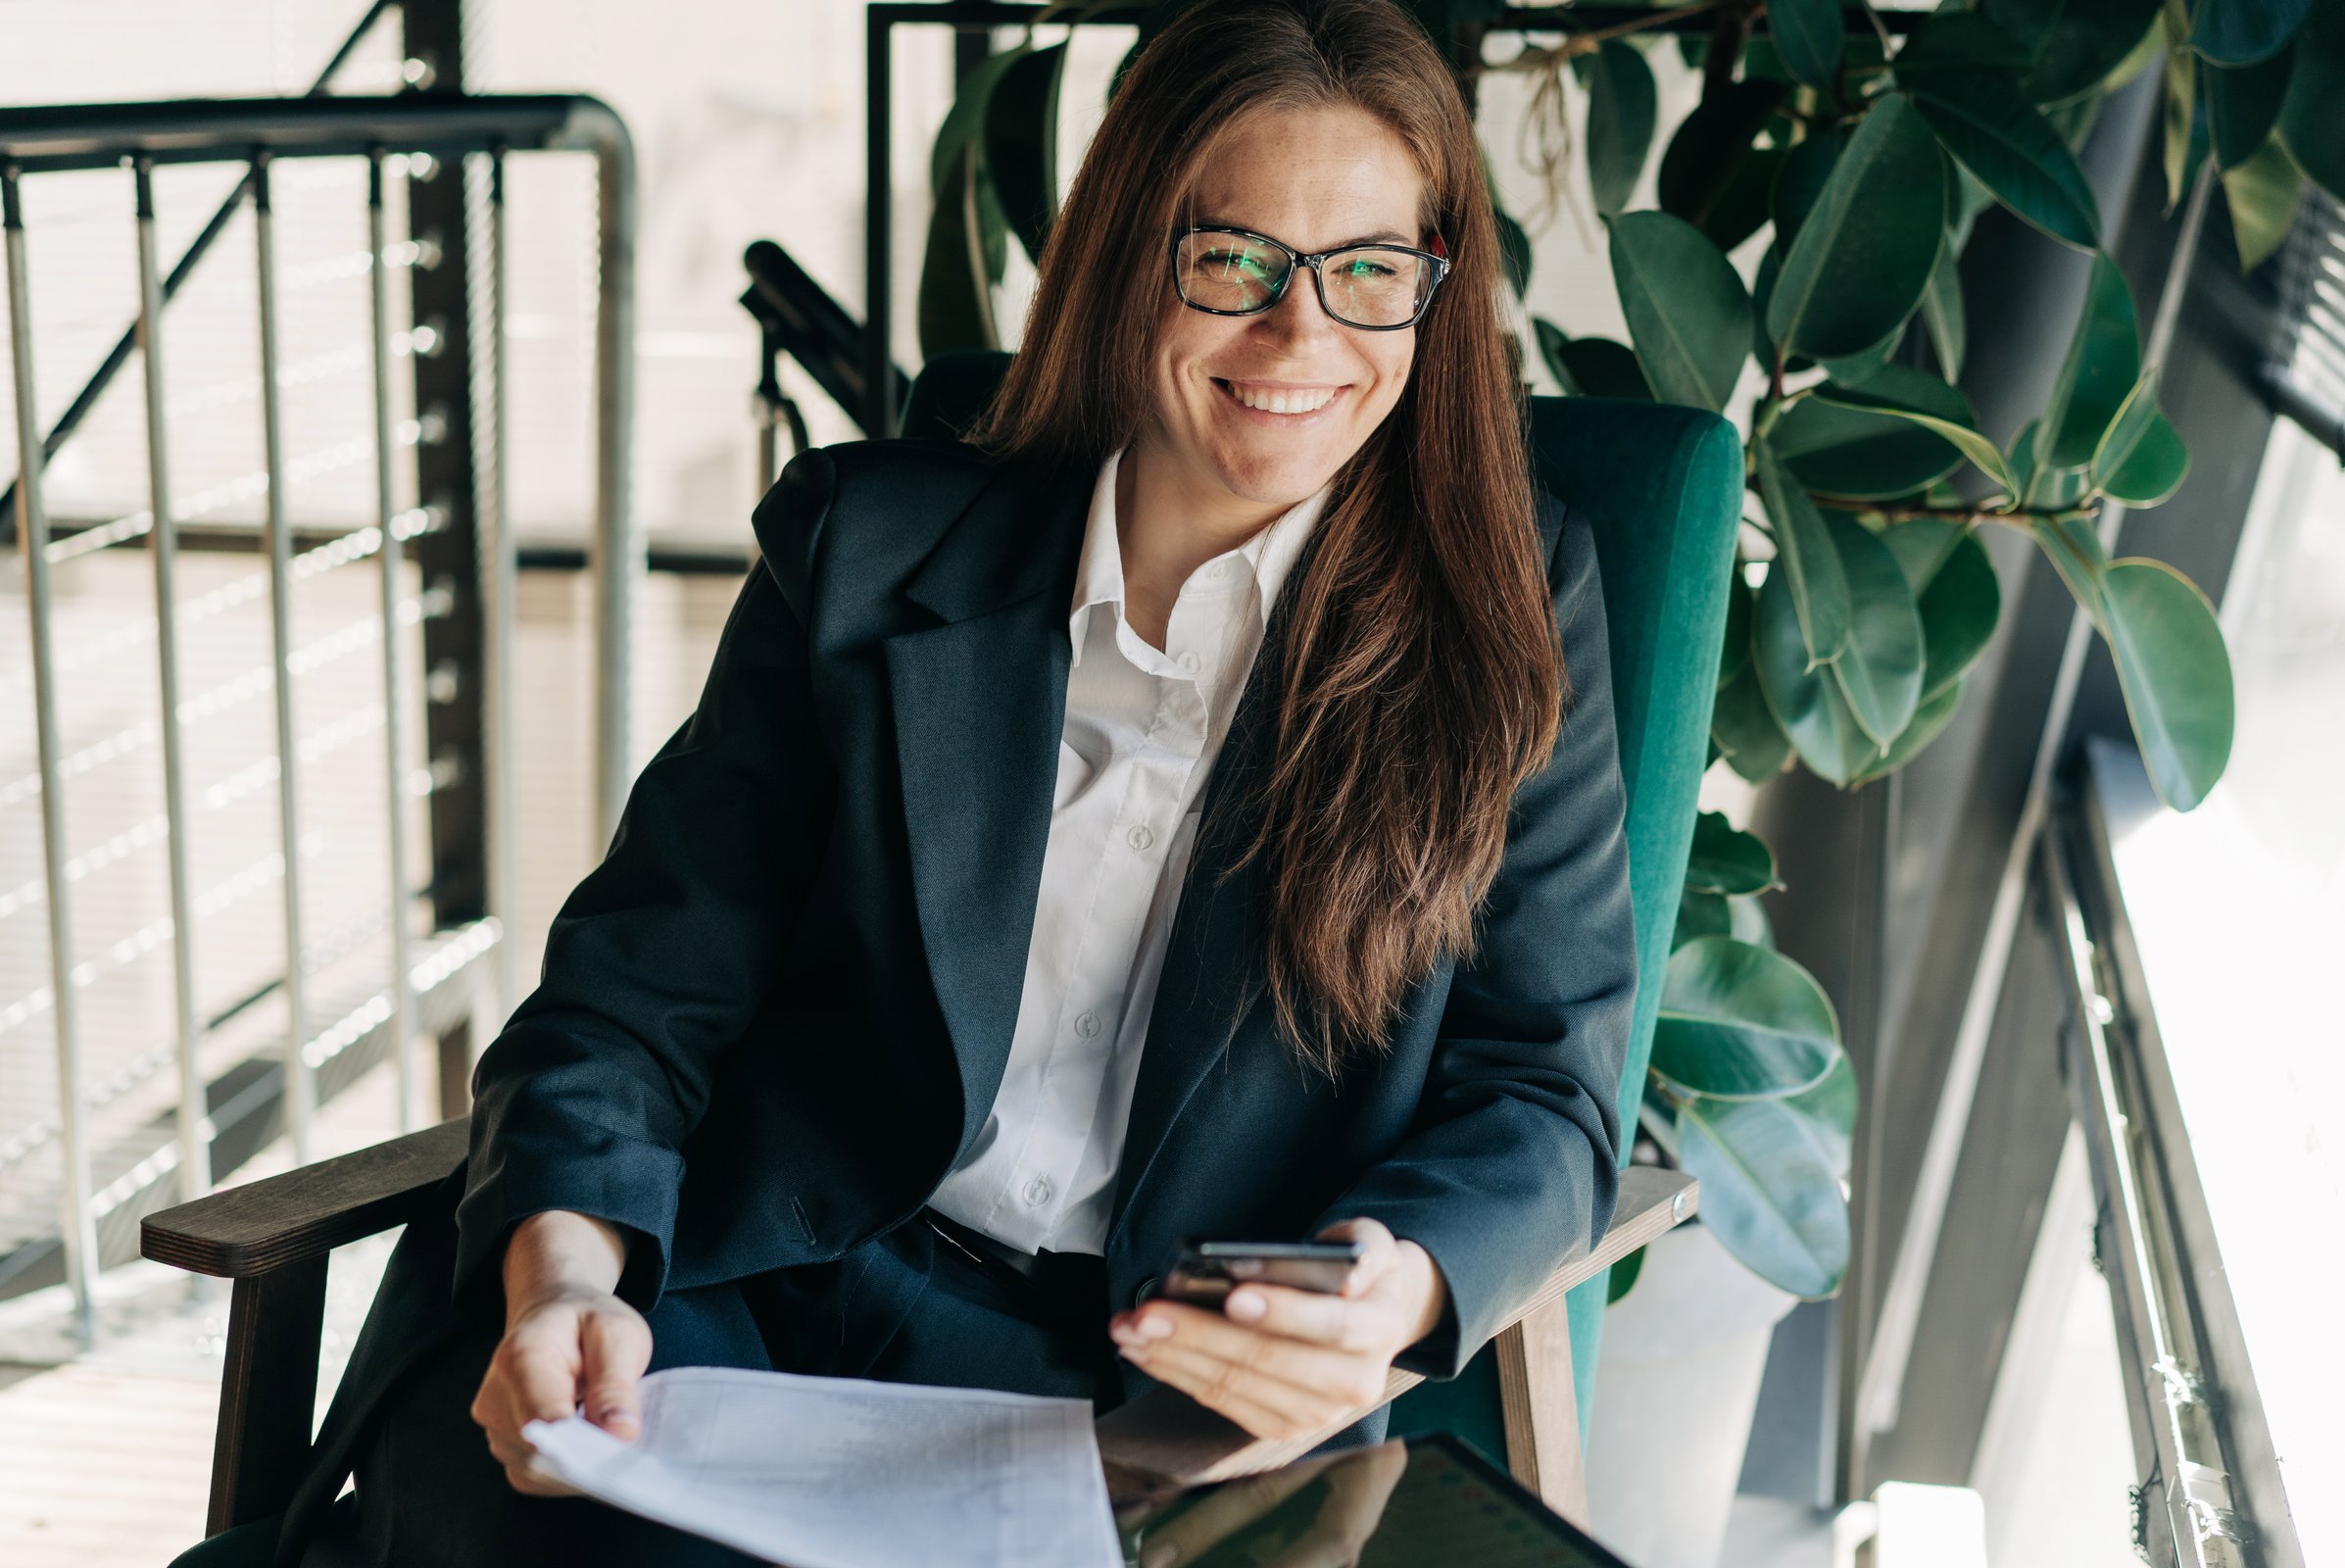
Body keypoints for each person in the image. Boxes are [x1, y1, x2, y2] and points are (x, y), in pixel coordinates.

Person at [270, 0, 1637, 1562]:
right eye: (1236, 259)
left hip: (1149, 1397)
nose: (1300, 336)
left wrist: (1393, 1286)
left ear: (1433, 289)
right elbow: (633, 997)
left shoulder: (1513, 604)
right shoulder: (862, 545)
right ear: (1129, 253)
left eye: (1370, 271)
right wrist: (571, 1272)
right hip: (742, 1303)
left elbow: (1547, 1085)